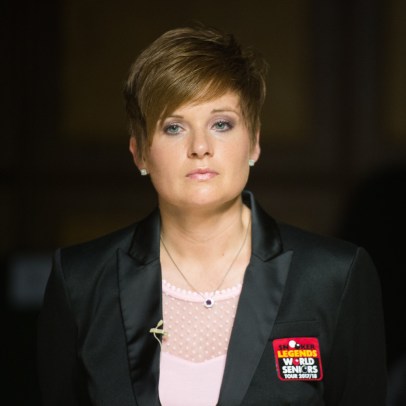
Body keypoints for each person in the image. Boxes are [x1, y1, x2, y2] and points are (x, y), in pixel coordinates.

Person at [37, 24, 387, 405]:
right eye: (174, 127)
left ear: (254, 141)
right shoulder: (81, 282)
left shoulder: (334, 277)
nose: (200, 146)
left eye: (221, 124)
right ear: (139, 153)